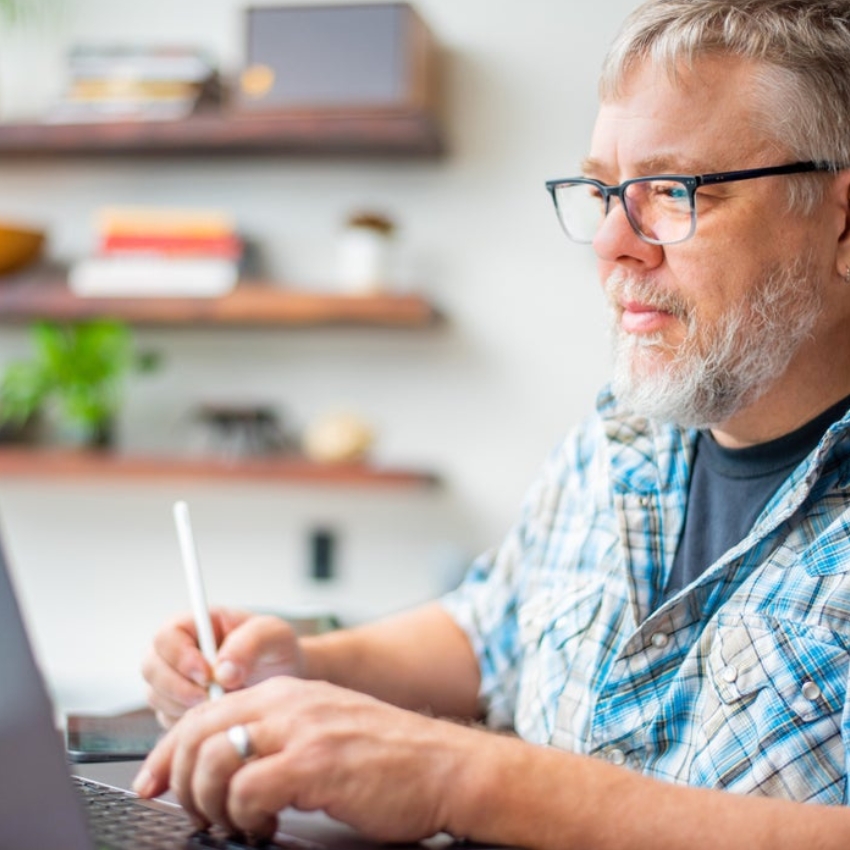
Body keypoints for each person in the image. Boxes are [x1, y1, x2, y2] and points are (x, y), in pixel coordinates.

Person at [136, 1, 850, 846]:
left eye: (672, 190)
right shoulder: (620, 439)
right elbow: (490, 628)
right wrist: (300, 668)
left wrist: (465, 776)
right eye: (604, 192)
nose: (611, 243)